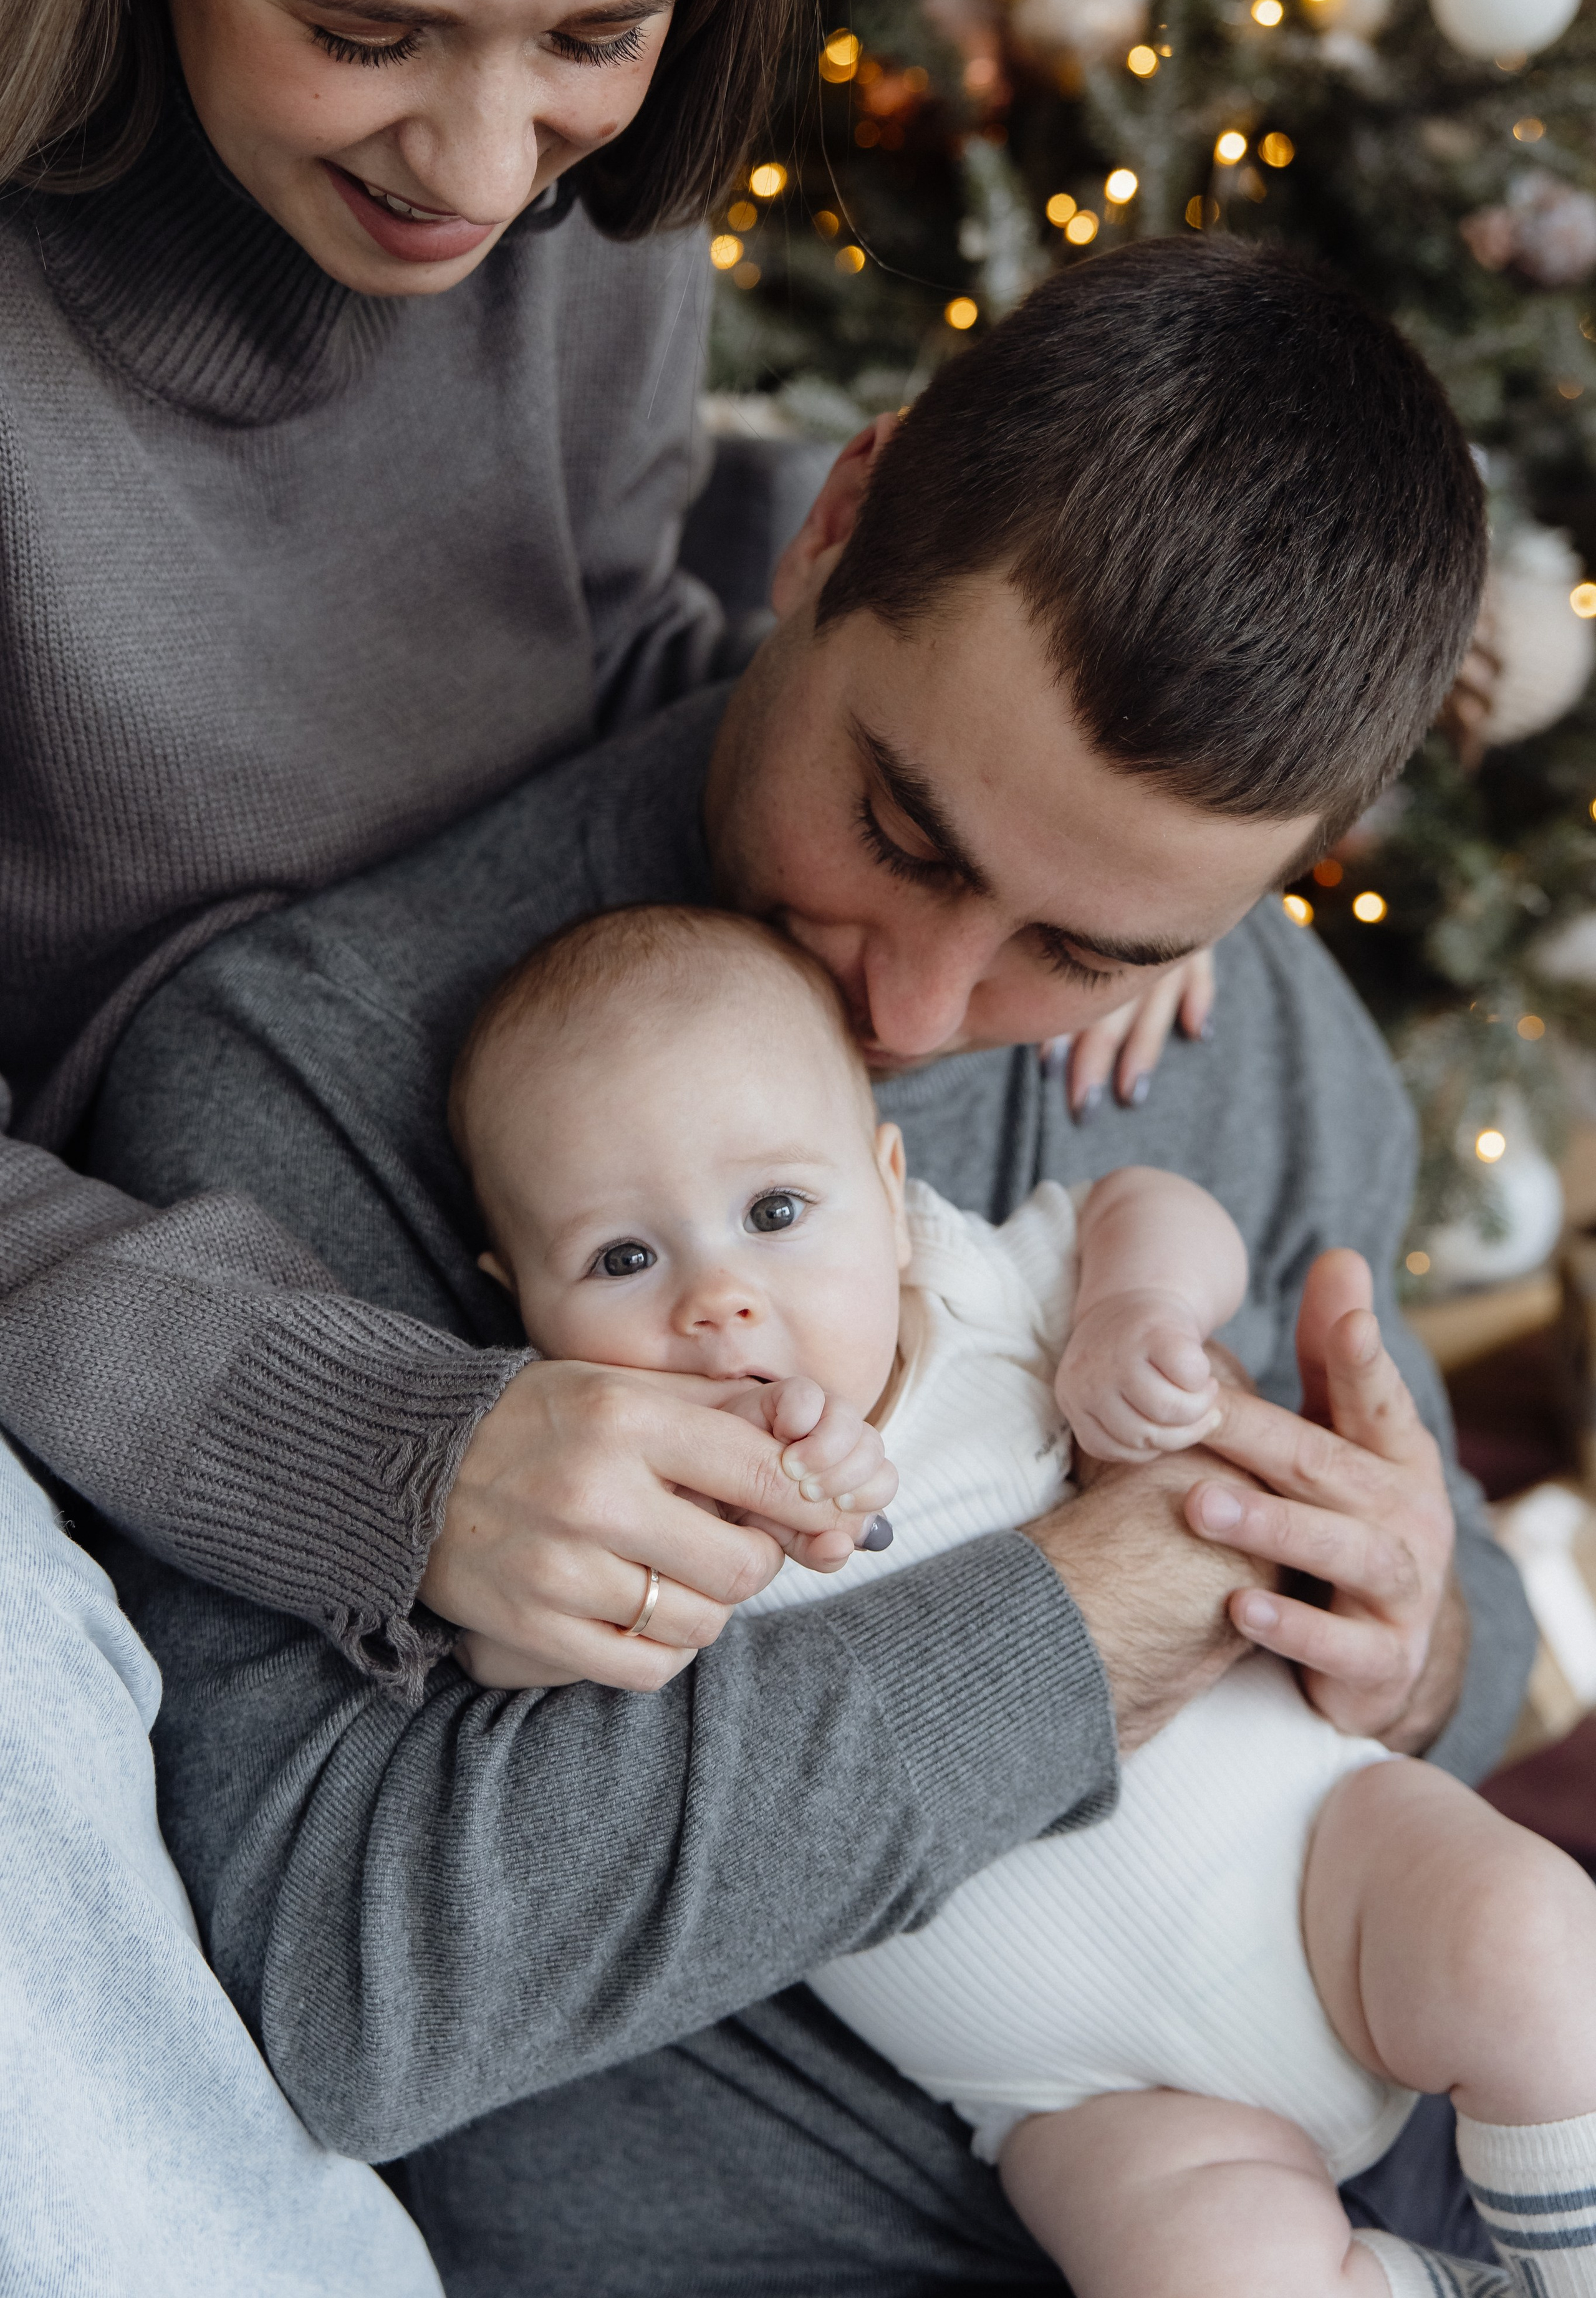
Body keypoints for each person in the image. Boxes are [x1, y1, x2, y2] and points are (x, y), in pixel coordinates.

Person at [87, 241, 1537, 2293]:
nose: (928, 1001)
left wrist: (1413, 1636)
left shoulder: (1264, 1041)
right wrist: (1084, 1621)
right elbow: (337, 1983)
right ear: (837, 527)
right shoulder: (318, 1074)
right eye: (908, 829)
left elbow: (1461, 1602)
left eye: (1086, 949)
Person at [443, 897, 1596, 2298]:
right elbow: (506, 1664)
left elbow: (1148, 1204)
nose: (720, 1301)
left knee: (1526, 1936)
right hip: (1089, 2103)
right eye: (624, 1259)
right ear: (522, 1305)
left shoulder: (977, 1294)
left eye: (776, 1211)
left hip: (1322, 1860)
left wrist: (1132, 1312)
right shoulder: (616, 1500)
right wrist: (534, 1573)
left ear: (884, 1184)